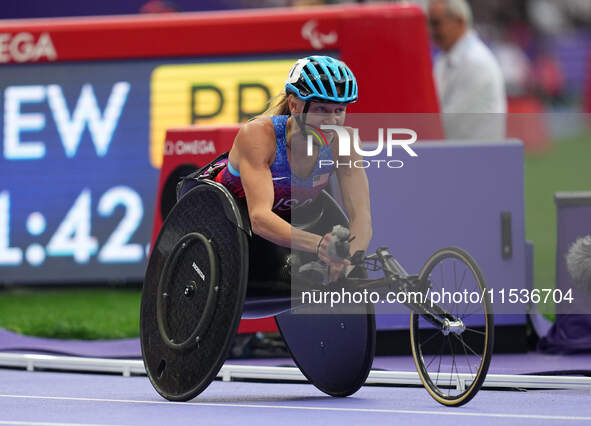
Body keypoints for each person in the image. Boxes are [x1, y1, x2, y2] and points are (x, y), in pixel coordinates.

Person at [197, 55, 372, 282]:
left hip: (287, 223)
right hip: (223, 219)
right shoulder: (259, 135)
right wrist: (319, 244)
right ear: (294, 105)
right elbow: (259, 218)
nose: (332, 121)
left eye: (339, 110)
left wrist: (347, 260)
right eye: (321, 109)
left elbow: (362, 217)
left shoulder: (344, 142)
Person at [428, 0, 507, 139]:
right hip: (462, 153)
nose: (431, 31)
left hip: (479, 157)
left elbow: (449, 123)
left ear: (459, 22)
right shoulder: (444, 60)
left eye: (436, 23)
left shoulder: (476, 63)